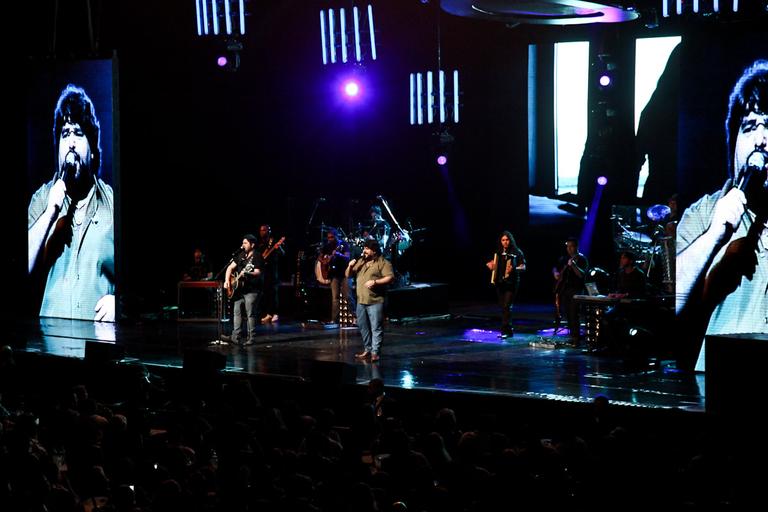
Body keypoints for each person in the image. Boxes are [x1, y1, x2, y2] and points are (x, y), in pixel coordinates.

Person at [676, 59, 768, 370]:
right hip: (715, 393)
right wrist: (715, 234)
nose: (761, 140)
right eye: (751, 126)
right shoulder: (703, 215)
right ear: (733, 143)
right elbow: (667, 307)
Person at [28, 84, 115, 322]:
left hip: (97, 348)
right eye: (65, 134)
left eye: (79, 133)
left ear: (93, 149)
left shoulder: (112, 205)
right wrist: (49, 214)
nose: (72, 143)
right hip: (49, 345)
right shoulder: (41, 199)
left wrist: (121, 302)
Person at [346, 239, 394, 362]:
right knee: (362, 326)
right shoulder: (361, 262)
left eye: (367, 249)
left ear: (374, 251)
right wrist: (350, 266)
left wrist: (375, 281)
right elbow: (348, 275)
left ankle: (375, 352)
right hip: (361, 300)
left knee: (376, 327)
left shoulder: (382, 263)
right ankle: (368, 349)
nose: (364, 250)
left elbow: (390, 277)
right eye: (364, 248)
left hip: (375, 300)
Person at [222, 235, 264, 347]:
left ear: (252, 244)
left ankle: (252, 338)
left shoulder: (257, 256)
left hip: (253, 289)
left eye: (245, 243)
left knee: (250, 314)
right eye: (243, 243)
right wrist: (227, 281)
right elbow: (230, 268)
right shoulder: (241, 255)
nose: (243, 245)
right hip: (240, 290)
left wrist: (247, 273)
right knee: (237, 312)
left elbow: (258, 272)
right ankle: (235, 337)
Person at [485, 231, 526, 338]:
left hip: (511, 283)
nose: (505, 242)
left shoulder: (517, 252)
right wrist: (490, 264)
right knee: (503, 306)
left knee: (507, 305)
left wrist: (515, 268)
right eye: (503, 240)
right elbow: (492, 262)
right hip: (500, 282)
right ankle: (508, 330)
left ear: (510, 240)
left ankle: (505, 331)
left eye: (507, 240)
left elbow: (523, 266)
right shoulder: (498, 252)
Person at [553, 237, 589, 345]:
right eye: (567, 246)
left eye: (571, 246)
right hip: (565, 290)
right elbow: (555, 267)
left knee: (574, 314)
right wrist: (555, 273)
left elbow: (581, 274)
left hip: (576, 290)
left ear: (576, 247)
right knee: (568, 314)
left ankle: (576, 338)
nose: (569, 249)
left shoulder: (582, 259)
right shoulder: (565, 258)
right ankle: (572, 336)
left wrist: (573, 265)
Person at [319, 228, 353, 324]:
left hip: (345, 273)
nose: (330, 239)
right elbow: (320, 257)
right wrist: (325, 261)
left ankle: (355, 318)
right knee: (335, 298)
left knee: (348, 296)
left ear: (337, 236)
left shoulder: (343, 244)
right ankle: (334, 320)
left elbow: (347, 257)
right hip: (334, 274)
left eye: (332, 237)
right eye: (328, 237)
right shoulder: (327, 246)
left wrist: (338, 254)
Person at [256, 224, 284, 323]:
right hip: (264, 271)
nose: (262, 232)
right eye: (261, 230)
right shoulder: (260, 243)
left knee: (273, 292)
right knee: (266, 292)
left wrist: (278, 248)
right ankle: (269, 313)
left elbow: (283, 254)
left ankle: (276, 313)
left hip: (273, 270)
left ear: (268, 231)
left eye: (264, 230)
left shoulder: (273, 241)